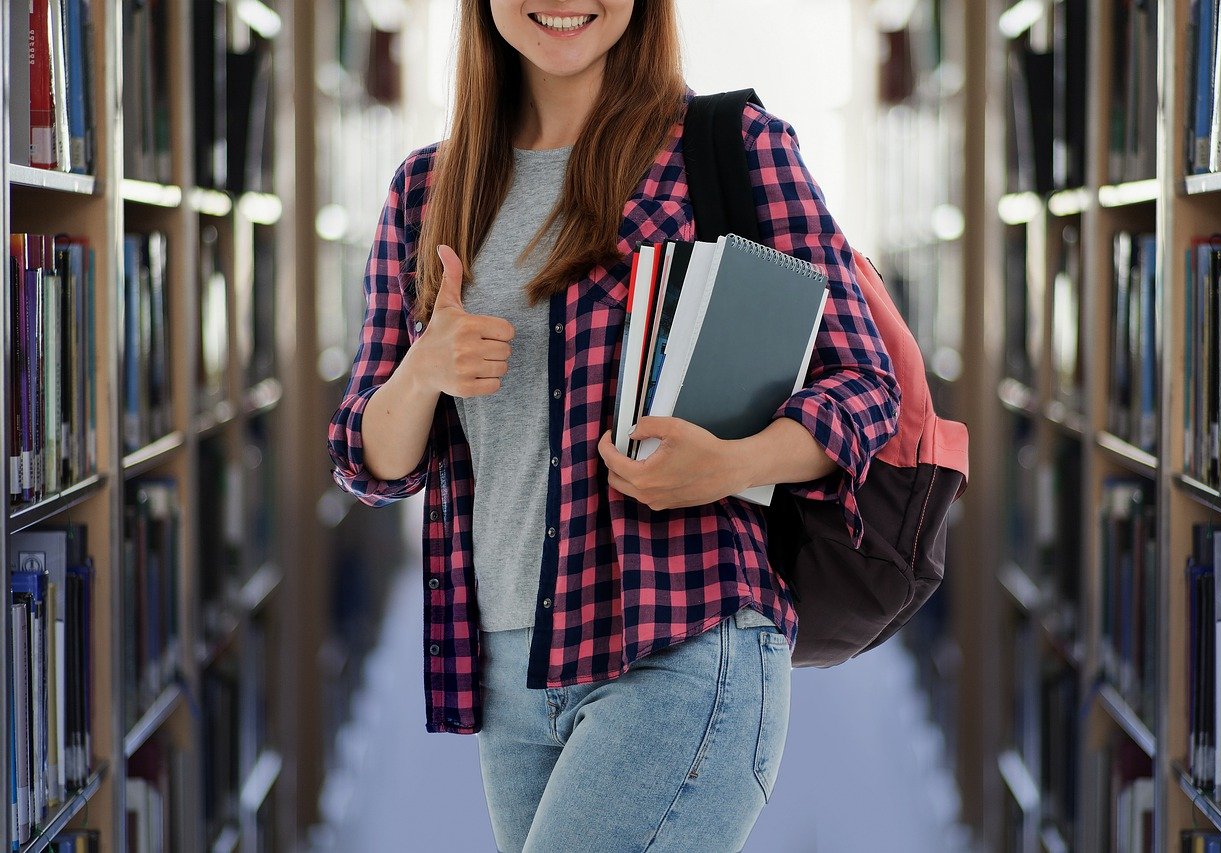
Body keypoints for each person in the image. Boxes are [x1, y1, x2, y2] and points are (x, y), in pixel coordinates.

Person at [326, 1, 901, 850]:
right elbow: (370, 462)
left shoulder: (731, 147)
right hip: (507, 674)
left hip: (681, 641)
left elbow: (865, 383)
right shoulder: (427, 190)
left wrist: (730, 462)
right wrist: (423, 370)